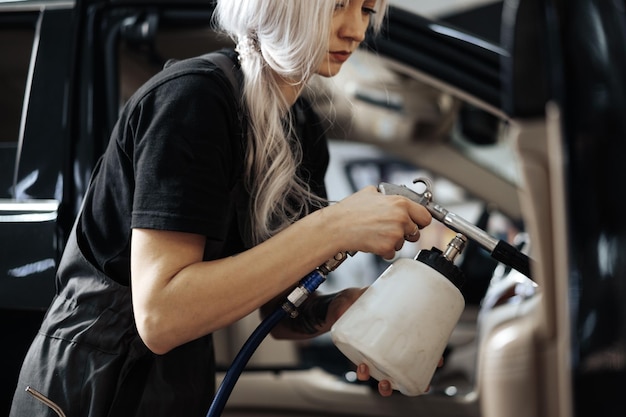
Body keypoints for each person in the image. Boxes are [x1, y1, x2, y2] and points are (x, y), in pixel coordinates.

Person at [10, 1, 432, 416]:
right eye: (338, 6)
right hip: (85, 388)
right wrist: (334, 227)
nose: (355, 30)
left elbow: (280, 313)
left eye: (366, 11)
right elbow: (161, 317)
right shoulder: (193, 100)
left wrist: (341, 309)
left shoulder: (300, 125)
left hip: (177, 388)